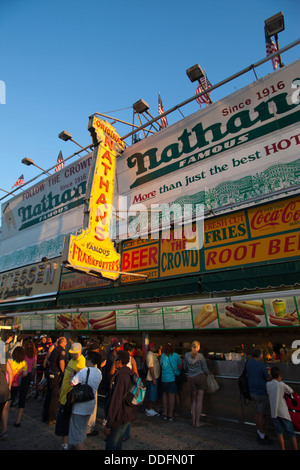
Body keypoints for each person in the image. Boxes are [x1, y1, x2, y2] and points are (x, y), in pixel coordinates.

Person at [55, 342, 86, 450]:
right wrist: (61, 388)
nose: (72, 355)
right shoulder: (72, 361)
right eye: (71, 353)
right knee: (66, 424)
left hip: (70, 399)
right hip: (64, 395)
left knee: (67, 424)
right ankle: (66, 445)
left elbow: (81, 381)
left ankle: (66, 446)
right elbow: (66, 377)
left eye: (74, 353)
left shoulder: (81, 363)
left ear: (80, 352)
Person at [68, 351, 102, 450]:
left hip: (80, 406)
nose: (85, 360)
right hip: (90, 404)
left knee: (77, 435)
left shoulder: (84, 371)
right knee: (82, 430)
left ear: (90, 360)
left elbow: (72, 383)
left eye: (86, 359)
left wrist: (72, 376)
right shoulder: (99, 372)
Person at [104, 350, 137, 450]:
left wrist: (109, 422)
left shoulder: (122, 376)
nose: (114, 362)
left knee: (112, 444)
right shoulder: (128, 373)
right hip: (126, 413)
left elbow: (116, 400)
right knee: (117, 443)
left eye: (115, 360)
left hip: (119, 416)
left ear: (120, 361)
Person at [266, 366, 298, 450]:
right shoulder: (281, 384)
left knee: (279, 432)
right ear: (279, 376)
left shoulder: (267, 384)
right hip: (283, 412)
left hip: (274, 413)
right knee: (291, 432)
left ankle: (282, 448)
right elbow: (291, 391)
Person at [246, 348, 273, 445]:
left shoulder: (248, 363)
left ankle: (258, 431)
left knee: (257, 412)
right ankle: (262, 435)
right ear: (260, 355)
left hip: (252, 391)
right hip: (261, 392)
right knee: (262, 414)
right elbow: (268, 378)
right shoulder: (260, 365)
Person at [1, 346, 28, 438]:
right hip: (17, 384)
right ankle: (13, 421)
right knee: (10, 402)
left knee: (7, 405)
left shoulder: (10, 361)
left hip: (8, 384)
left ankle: (4, 422)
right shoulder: (24, 363)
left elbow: (6, 371)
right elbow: (25, 374)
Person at [42, 336, 67, 424]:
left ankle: (44, 415)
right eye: (66, 342)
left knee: (49, 394)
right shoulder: (61, 351)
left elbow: (48, 361)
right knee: (54, 396)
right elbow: (61, 362)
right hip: (55, 374)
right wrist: (63, 372)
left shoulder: (54, 350)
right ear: (62, 342)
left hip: (50, 373)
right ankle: (51, 417)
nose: (67, 343)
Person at [184, 340, 208, 427]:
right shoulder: (201, 356)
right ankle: (197, 422)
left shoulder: (186, 355)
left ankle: (193, 421)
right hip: (201, 378)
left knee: (193, 400)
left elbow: (185, 367)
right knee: (199, 400)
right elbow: (205, 368)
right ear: (198, 347)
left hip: (192, 378)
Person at [14, 339, 37, 427]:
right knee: (22, 396)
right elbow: (34, 366)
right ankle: (18, 419)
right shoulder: (34, 355)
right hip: (28, 374)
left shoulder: (23, 354)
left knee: (14, 393)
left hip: (20, 374)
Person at [160, 342, 182, 421]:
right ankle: (170, 415)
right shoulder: (176, 355)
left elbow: (161, 366)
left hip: (164, 378)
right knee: (171, 396)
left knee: (164, 395)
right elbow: (180, 366)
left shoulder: (163, 355)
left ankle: (165, 414)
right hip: (172, 378)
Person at [0, 332, 12, 440]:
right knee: (4, 409)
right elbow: (10, 371)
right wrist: (10, 384)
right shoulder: (4, 360)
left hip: (2, 388)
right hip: (4, 388)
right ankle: (4, 431)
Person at [145, 342, 161, 417]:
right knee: (151, 395)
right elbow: (151, 368)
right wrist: (153, 378)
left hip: (155, 377)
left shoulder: (153, 355)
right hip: (151, 378)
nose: (155, 348)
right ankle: (149, 408)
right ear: (150, 348)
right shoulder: (149, 356)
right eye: (154, 347)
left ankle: (150, 408)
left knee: (153, 394)